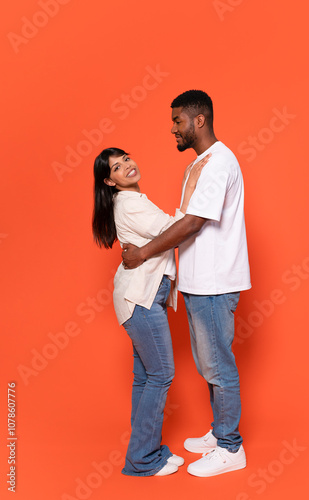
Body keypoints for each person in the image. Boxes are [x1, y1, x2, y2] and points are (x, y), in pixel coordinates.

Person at [122, 90, 251, 477]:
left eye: (177, 120)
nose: (172, 128)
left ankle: (231, 447)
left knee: (219, 366)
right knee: (208, 363)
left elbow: (193, 222)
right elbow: (185, 219)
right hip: (199, 282)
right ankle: (219, 432)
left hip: (215, 282)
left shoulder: (217, 163)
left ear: (199, 120)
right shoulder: (201, 162)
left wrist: (143, 254)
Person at [92, 146, 210, 477]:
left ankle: (149, 449)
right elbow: (177, 229)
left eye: (126, 159)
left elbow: (170, 229)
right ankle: (142, 459)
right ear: (110, 181)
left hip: (140, 298)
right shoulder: (129, 203)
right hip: (140, 300)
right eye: (117, 167)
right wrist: (191, 186)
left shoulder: (132, 201)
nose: (127, 166)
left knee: (145, 377)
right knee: (161, 375)